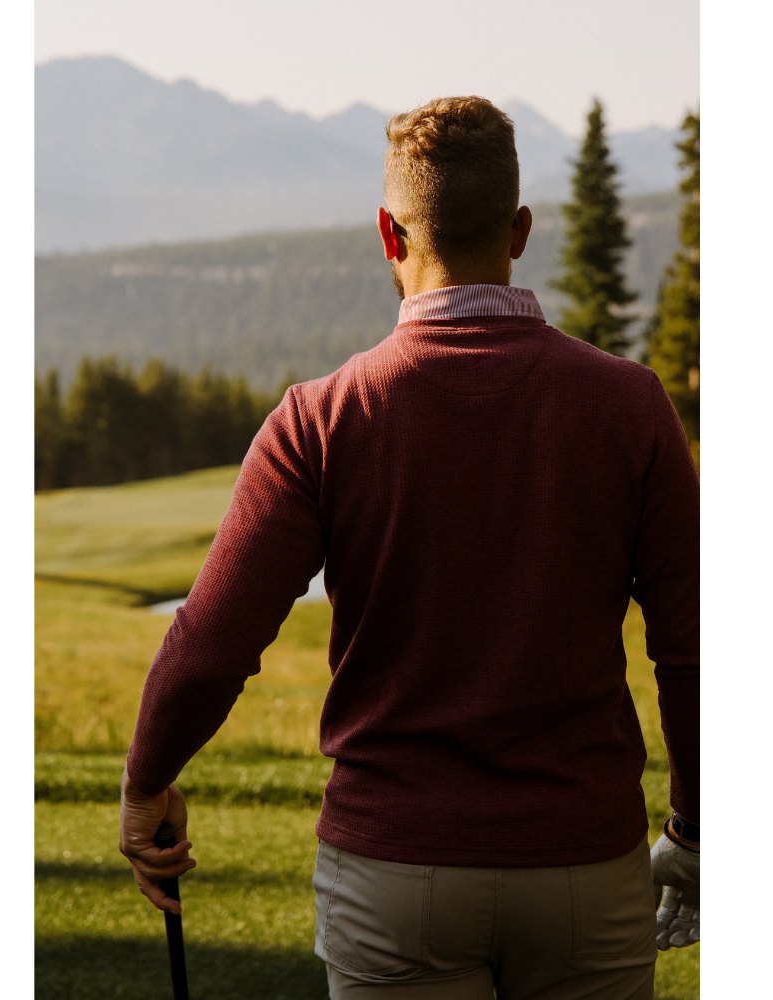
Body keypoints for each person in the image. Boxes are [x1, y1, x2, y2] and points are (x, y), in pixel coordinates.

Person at [116, 95, 701, 999]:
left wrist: (146, 783)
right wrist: (696, 832)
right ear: (519, 230)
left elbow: (210, 643)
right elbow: (693, 647)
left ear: (389, 234)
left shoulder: (319, 417)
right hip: (585, 870)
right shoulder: (630, 406)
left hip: (393, 873)